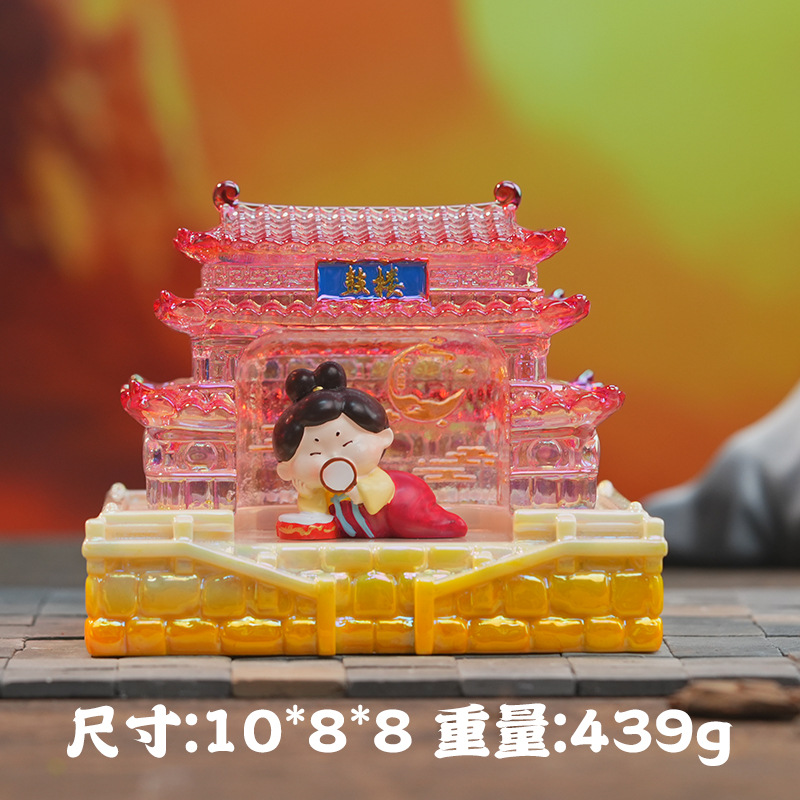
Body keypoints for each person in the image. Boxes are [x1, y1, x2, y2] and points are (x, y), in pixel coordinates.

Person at [272, 361, 467, 539]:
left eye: (346, 443)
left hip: (402, 503)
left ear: (383, 438)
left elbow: (379, 498)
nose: (333, 458)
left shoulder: (377, 479)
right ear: (287, 469)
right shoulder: (323, 490)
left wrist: (355, 490)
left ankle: (445, 524)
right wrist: (308, 494)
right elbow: (318, 515)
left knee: (409, 517)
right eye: (315, 453)